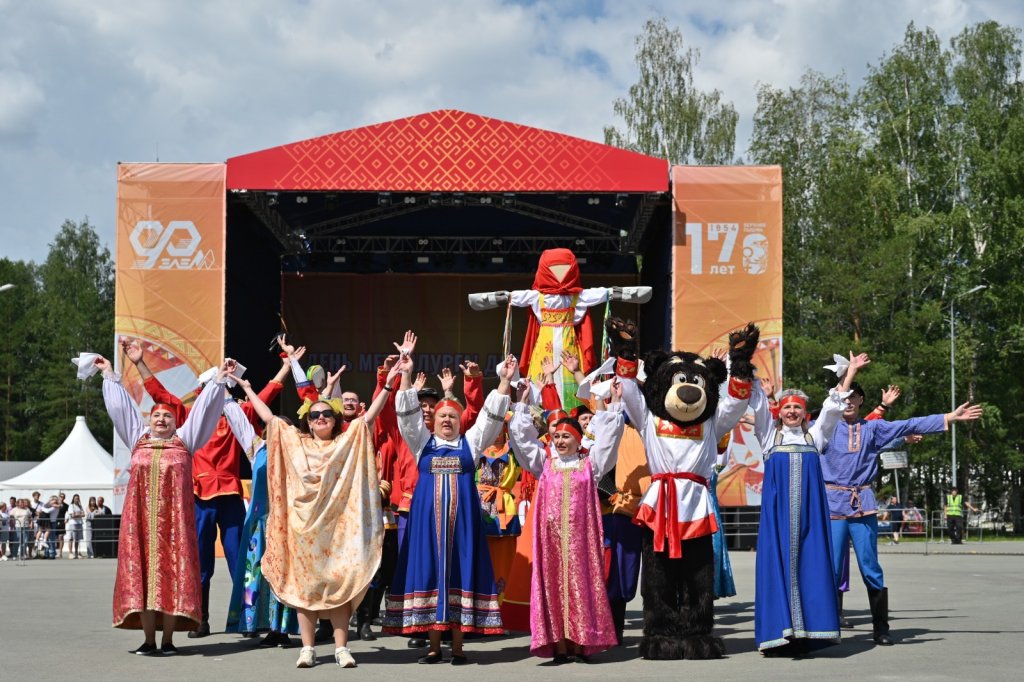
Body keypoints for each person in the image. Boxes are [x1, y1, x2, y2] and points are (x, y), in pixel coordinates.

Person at [238, 345, 396, 669]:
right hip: (303, 529)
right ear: (308, 422)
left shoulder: (345, 442)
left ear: (335, 419)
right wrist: (248, 389)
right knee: (305, 590)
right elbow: (268, 417)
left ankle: (341, 648)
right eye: (315, 415)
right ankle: (307, 648)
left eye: (326, 414)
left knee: (338, 587)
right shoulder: (296, 442)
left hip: (337, 530)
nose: (320, 418)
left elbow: (370, 417)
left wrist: (390, 383)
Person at [125, 338, 291, 638]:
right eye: (210, 388)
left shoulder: (236, 414)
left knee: (242, 561)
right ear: (202, 393)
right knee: (199, 564)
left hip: (228, 496)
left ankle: (248, 618)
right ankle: (198, 619)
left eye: (222, 388)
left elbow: (264, 396)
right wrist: (139, 363)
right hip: (198, 497)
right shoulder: (190, 418)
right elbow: (160, 394)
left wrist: (285, 369)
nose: (217, 393)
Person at [821, 382, 983, 646]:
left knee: (870, 567)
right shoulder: (824, 428)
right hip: (832, 506)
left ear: (862, 400)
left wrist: (949, 417)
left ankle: (881, 628)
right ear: (835, 400)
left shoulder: (872, 428)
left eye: (854, 397)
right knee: (830, 567)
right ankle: (826, 627)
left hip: (863, 505)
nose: (849, 401)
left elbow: (909, 424)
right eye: (844, 397)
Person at [383, 340, 512, 665]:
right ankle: (432, 647)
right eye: (441, 416)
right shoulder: (422, 443)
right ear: (434, 420)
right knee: (430, 577)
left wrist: (505, 382)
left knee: (460, 576)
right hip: (427, 530)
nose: (446, 420)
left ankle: (458, 649)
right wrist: (407, 375)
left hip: (463, 531)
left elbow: (489, 421)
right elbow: (407, 417)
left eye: (452, 417)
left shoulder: (470, 444)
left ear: (459, 422)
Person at [96, 354, 230, 655]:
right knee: (142, 577)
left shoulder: (185, 441)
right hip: (141, 525)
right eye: (156, 415)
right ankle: (148, 640)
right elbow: (122, 410)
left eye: (167, 416)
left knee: (171, 579)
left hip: (174, 527)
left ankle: (168, 640)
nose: (161, 419)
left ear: (175, 422)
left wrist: (218, 381)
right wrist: (109, 375)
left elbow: (203, 413)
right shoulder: (137, 440)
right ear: (149, 420)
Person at [750, 352, 868, 657]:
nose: (791, 411)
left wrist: (850, 374)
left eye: (797, 408)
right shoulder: (769, 437)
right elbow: (759, 406)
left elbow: (832, 407)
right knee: (777, 568)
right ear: (780, 412)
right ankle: (779, 633)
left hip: (809, 520)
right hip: (777, 521)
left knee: (810, 567)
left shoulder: (815, 437)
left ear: (804, 414)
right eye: (787, 407)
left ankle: (807, 632)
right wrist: (746, 371)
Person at [507, 377, 625, 663]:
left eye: (566, 437)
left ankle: (582, 643)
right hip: (551, 543)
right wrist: (521, 405)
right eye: (557, 437)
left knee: (581, 589)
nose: (560, 441)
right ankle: (559, 647)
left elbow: (609, 439)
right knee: (554, 591)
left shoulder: (590, 465)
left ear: (578, 440)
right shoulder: (544, 464)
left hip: (581, 542)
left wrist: (614, 402)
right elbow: (522, 441)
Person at [65, 494, 86, 559]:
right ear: (73, 499)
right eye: (75, 498)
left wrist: (77, 514)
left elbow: (83, 514)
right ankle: (70, 553)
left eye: (78, 498)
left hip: (79, 523)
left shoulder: (80, 506)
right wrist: (79, 514)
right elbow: (72, 515)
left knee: (77, 539)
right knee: (71, 538)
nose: (77, 499)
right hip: (73, 523)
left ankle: (76, 553)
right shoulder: (71, 506)